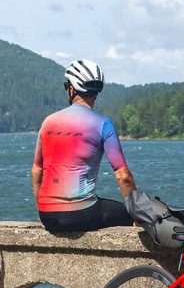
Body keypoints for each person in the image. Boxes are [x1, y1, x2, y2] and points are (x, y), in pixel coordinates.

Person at [31, 60, 138, 232]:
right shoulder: (103, 124)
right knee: (133, 215)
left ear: (71, 89)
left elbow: (37, 171)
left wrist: (42, 212)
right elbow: (123, 176)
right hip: (81, 214)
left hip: (47, 215)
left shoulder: (48, 122)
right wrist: (139, 214)